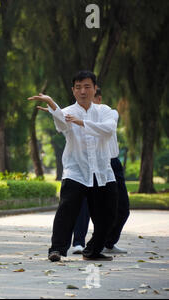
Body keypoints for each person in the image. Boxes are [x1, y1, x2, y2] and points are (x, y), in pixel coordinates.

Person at [28, 70, 118, 262]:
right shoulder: (68, 111)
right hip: (76, 170)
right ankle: (57, 250)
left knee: (109, 215)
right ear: (73, 90)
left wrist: (81, 122)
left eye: (87, 86)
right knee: (66, 212)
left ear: (95, 89)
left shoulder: (105, 111)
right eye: (78, 87)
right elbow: (62, 125)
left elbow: (108, 130)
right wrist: (53, 105)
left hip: (102, 171)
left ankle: (92, 251)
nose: (82, 91)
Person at [71, 88, 129, 255]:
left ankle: (107, 242)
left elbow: (106, 128)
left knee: (122, 208)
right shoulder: (76, 115)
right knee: (84, 205)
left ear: (98, 98)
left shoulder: (108, 113)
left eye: (90, 99)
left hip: (111, 163)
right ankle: (78, 243)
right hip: (87, 163)